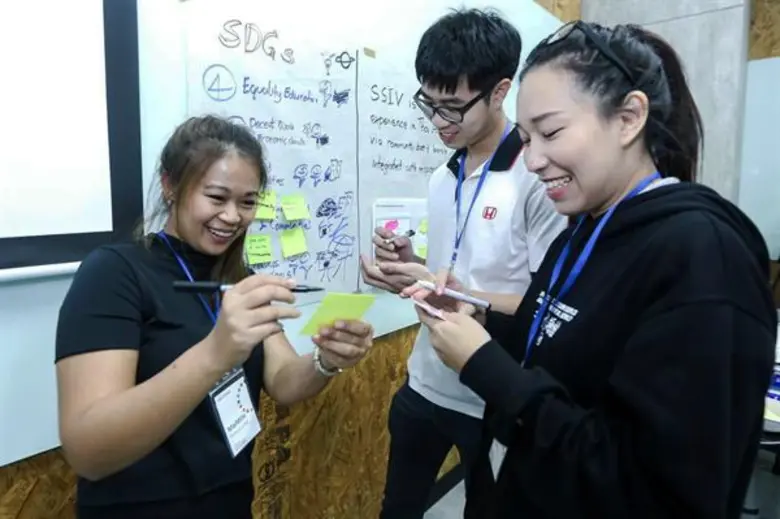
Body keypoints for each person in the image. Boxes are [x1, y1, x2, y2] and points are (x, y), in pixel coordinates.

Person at [401, 21, 778, 518]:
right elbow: (558, 343)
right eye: (525, 137)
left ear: (628, 118)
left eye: (551, 132)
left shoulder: (702, 256)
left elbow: (651, 487)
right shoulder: (585, 230)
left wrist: (483, 365)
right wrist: (476, 314)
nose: (533, 160)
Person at [55, 115, 374, 519]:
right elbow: (88, 451)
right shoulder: (114, 273)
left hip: (230, 500)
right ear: (171, 186)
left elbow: (283, 381)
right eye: (217, 197)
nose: (232, 217)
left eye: (247, 202)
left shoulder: (240, 280)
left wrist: (326, 359)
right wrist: (216, 353)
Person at [360, 8, 567, 518]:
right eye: (428, 104)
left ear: (499, 93)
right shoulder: (441, 177)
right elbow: (450, 272)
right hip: (424, 382)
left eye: (452, 107)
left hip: (492, 396)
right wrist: (411, 271)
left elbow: (550, 306)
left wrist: (454, 291)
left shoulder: (538, 178)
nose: (438, 122)